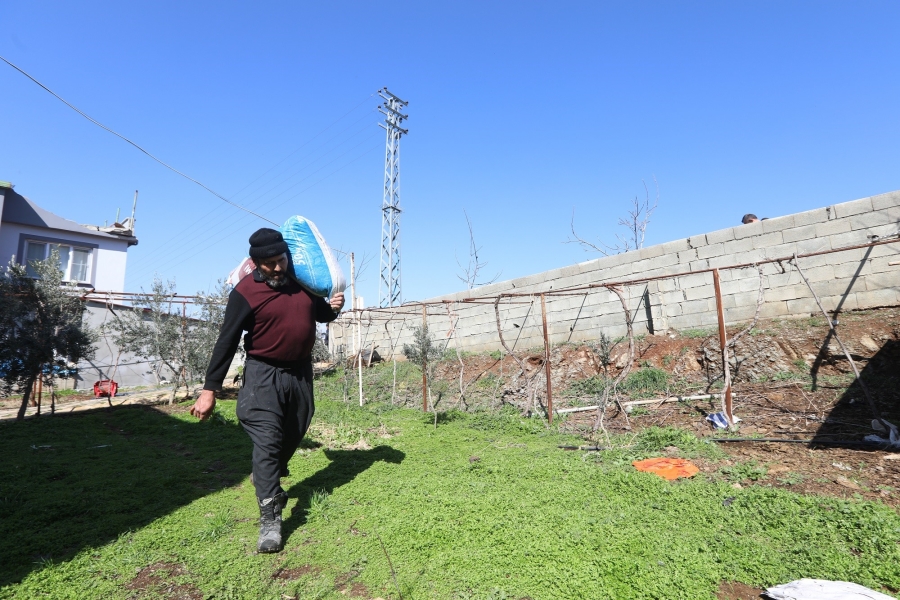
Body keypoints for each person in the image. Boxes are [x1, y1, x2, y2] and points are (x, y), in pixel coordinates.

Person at [190, 228, 344, 553]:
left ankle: (266, 475)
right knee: (268, 438)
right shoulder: (245, 293)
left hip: (300, 374)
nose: (277, 268)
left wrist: (333, 308)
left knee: (295, 429)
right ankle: (270, 518)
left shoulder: (302, 281)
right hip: (263, 374)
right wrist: (210, 390)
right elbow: (226, 341)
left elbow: (319, 313)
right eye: (270, 263)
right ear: (256, 263)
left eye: (281, 260)